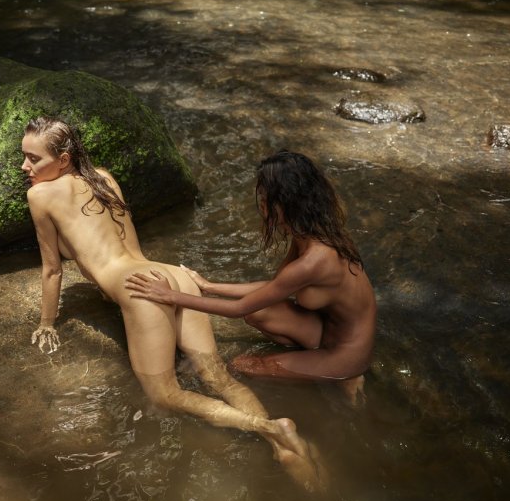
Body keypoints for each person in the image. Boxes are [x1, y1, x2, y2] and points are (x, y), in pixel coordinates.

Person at [22, 117, 324, 490]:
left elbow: (52, 270)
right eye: (25, 157)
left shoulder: (39, 196)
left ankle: (268, 428)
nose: (25, 167)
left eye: (33, 159)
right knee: (218, 377)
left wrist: (46, 323)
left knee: (164, 394)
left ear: (63, 159)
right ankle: (281, 442)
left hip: (140, 289)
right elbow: (126, 245)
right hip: (167, 274)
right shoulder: (104, 177)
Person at [125, 150, 376, 385]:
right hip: (323, 332)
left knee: (241, 365)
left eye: (265, 199)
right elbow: (275, 287)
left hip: (346, 354)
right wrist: (209, 286)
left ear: (285, 203)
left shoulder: (315, 261)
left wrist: (171, 296)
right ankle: (305, 359)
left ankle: (347, 378)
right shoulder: (310, 233)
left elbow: (238, 309)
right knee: (259, 312)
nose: (261, 206)